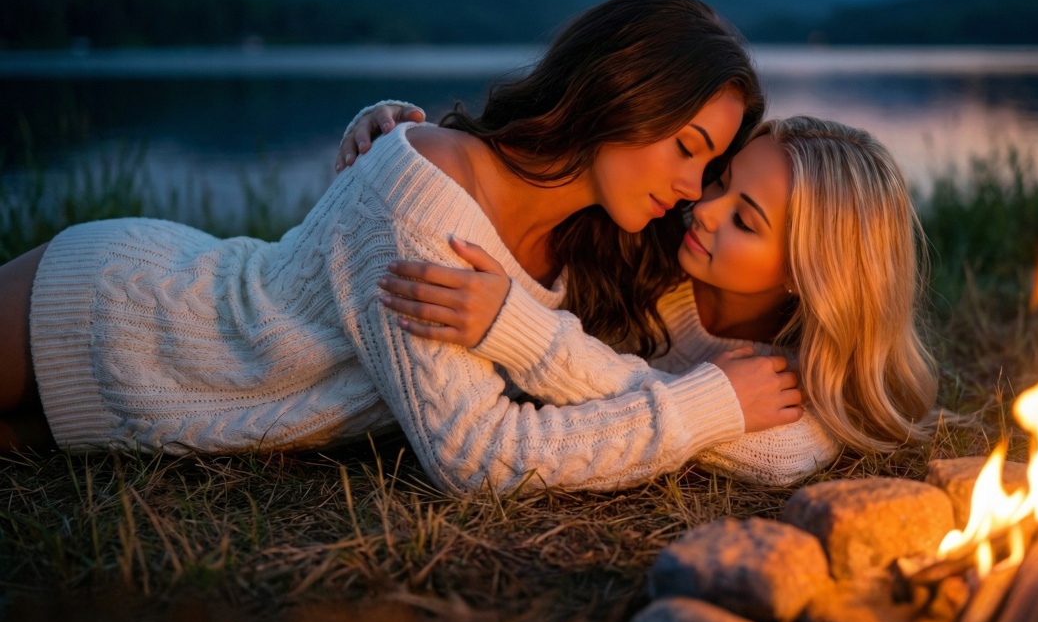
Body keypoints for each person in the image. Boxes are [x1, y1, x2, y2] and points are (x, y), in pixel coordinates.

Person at [0, 0, 805, 495]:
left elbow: (743, 376)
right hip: (118, 310)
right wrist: (707, 408)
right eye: (690, 149)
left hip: (169, 411)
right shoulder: (426, 199)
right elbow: (479, 457)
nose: (697, 191)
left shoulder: (596, 236)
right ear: (624, 94)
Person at [351, 111, 939, 483]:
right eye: (720, 180)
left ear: (809, 272)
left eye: (745, 220)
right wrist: (400, 134)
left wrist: (518, 330)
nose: (702, 209)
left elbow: (787, 451)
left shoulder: (798, 372)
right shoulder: (644, 248)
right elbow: (520, 170)